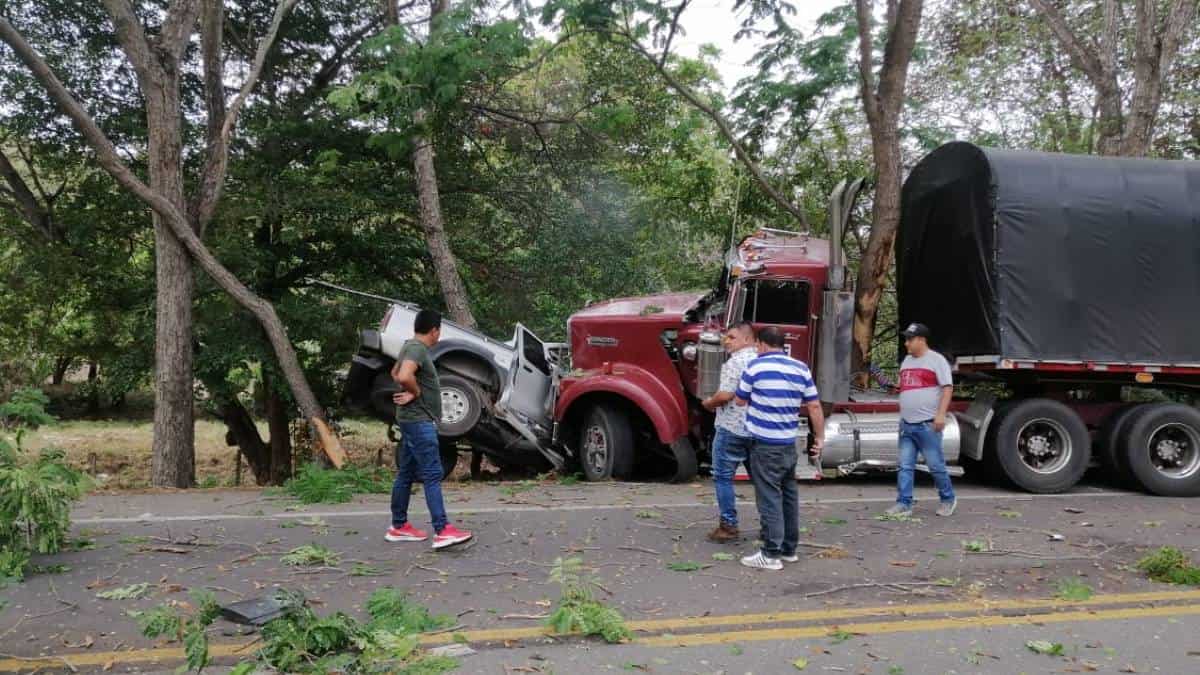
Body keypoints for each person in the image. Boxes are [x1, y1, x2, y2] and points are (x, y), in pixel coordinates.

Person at [734, 327, 825, 571]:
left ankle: (770, 553)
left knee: (769, 498)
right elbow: (814, 406)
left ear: (761, 345)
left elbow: (740, 400)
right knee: (788, 496)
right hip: (788, 444)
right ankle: (789, 549)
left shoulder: (755, 367)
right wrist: (820, 437)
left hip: (764, 444)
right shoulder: (800, 368)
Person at [385, 309, 473, 550]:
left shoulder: (409, 346)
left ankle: (399, 526)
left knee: (406, 473)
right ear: (434, 330)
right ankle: (442, 530)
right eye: (438, 331)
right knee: (432, 474)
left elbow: (395, 373)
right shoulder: (417, 349)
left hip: (411, 419)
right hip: (418, 420)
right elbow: (403, 375)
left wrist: (410, 387)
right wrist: (415, 391)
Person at [883, 322, 957, 518]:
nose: (906, 343)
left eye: (910, 339)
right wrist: (897, 387)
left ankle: (948, 498)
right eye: (906, 339)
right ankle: (904, 503)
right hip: (907, 423)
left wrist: (940, 414)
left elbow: (947, 387)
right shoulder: (906, 361)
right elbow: (908, 385)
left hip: (927, 424)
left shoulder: (936, 360)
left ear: (922, 340)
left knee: (935, 466)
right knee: (905, 465)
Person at [701, 322, 758, 543]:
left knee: (723, 478)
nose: (727, 341)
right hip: (757, 429)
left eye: (732, 337)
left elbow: (725, 395)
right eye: (726, 337)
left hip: (731, 428)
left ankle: (728, 525)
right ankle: (770, 524)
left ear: (747, 339)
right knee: (761, 479)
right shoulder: (761, 361)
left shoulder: (735, 362)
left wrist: (708, 403)